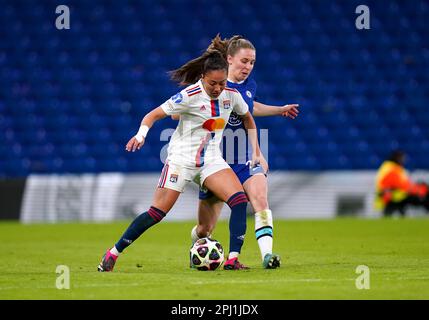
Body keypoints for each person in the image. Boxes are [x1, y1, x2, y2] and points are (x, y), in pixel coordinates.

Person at [97, 49, 263, 272]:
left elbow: (248, 118)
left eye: (222, 83)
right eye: (213, 83)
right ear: (203, 77)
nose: (218, 88)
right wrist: (141, 135)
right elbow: (152, 115)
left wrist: (256, 150)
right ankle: (113, 253)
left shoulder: (232, 94)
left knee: (239, 200)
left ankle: (232, 259)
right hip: (181, 161)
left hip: (211, 160)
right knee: (157, 213)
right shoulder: (189, 95)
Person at [177, 35, 300, 269]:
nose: (248, 67)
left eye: (252, 62)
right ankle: (198, 247)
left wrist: (279, 111)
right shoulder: (214, 86)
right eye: (244, 61)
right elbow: (182, 112)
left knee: (260, 200)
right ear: (229, 59)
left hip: (244, 157)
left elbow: (250, 109)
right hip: (216, 162)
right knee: (205, 229)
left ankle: (267, 256)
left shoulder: (249, 87)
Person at [375, 150, 429, 217]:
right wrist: (417, 190)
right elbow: (401, 184)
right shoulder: (392, 168)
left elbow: (403, 183)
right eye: (402, 158)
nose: (404, 160)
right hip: (394, 197)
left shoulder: (391, 167)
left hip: (395, 195)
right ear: (397, 158)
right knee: (424, 197)